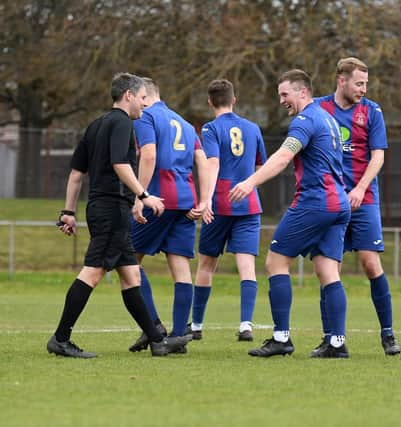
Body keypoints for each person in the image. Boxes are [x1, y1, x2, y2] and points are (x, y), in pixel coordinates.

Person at [48, 72, 192, 358]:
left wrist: (68, 211)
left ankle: (156, 339)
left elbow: (77, 173)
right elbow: (119, 164)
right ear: (128, 96)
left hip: (104, 208)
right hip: (112, 209)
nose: (143, 105)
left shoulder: (96, 124)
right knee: (92, 273)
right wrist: (144, 194)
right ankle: (60, 339)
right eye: (141, 99)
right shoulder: (123, 123)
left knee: (131, 276)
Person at [229, 69, 351, 358]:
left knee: (275, 262)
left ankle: (281, 337)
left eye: (285, 94)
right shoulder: (329, 119)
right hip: (339, 203)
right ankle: (337, 343)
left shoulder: (305, 121)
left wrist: (250, 182)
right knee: (327, 271)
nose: (282, 100)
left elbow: (284, 156)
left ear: (303, 92)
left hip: (316, 202)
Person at [316, 57, 400, 356]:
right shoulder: (318, 108)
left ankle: (388, 334)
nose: (364, 88)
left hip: (363, 200)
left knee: (370, 263)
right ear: (342, 80)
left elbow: (378, 156)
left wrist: (361, 187)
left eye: (366, 83)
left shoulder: (372, 111)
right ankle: (331, 338)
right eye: (359, 83)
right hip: (329, 200)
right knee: (328, 268)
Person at [127, 78, 212, 353]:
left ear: (144, 96)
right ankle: (178, 335)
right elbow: (203, 161)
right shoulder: (185, 123)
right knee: (180, 267)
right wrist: (204, 199)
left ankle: (153, 327)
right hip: (186, 202)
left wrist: (140, 195)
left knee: (127, 259)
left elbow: (149, 155)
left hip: (159, 200)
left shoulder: (146, 117)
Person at [191, 79, 268, 342]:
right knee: (247, 267)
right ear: (234, 99)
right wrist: (247, 185)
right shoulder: (252, 127)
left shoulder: (211, 129)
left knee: (206, 264)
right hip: (248, 203)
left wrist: (207, 199)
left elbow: (212, 163)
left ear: (210, 101)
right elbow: (261, 167)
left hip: (221, 202)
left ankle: (197, 325)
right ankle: (246, 324)